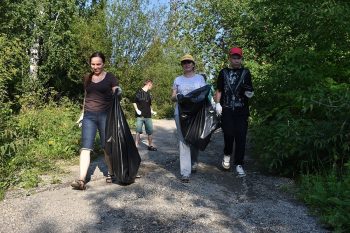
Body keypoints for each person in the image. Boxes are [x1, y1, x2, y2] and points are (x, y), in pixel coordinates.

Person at [71, 52, 121, 190]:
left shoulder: (110, 77)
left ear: (103, 63)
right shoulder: (87, 78)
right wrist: (82, 113)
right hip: (89, 116)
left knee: (107, 147)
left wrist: (118, 91)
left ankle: (111, 172)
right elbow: (86, 97)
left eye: (98, 64)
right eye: (93, 64)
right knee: (85, 147)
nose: (95, 67)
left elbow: (116, 89)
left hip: (106, 115)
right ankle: (81, 180)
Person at [215, 47, 254, 177]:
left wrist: (248, 92)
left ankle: (239, 164)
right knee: (229, 135)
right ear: (230, 58)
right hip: (226, 109)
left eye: (238, 58)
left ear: (241, 59)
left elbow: (250, 91)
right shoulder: (223, 72)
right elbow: (219, 90)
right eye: (234, 57)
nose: (236, 60)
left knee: (241, 137)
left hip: (242, 111)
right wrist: (217, 104)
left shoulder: (246, 72)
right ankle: (227, 154)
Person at [171, 54, 206, 182]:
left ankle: (194, 161)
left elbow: (204, 95)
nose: (186, 64)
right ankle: (185, 172)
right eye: (184, 62)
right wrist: (178, 96)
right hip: (181, 112)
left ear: (193, 64)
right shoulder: (178, 79)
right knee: (183, 140)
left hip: (196, 113)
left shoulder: (200, 79)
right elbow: (172, 96)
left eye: (189, 62)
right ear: (182, 65)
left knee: (195, 138)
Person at [133, 79, 157, 151]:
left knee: (150, 131)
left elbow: (149, 104)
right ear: (149, 84)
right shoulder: (139, 92)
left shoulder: (149, 94)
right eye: (151, 85)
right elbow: (134, 102)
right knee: (138, 131)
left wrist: (152, 111)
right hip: (140, 116)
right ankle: (135, 146)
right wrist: (137, 110)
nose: (151, 87)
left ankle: (150, 146)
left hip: (148, 116)